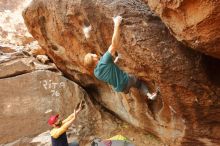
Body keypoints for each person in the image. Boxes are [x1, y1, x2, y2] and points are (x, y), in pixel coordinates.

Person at [84, 16, 159, 100]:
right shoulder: (104, 60)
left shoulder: (96, 73)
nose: (94, 54)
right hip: (127, 79)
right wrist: (117, 24)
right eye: (92, 55)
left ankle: (149, 95)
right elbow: (114, 44)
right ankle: (149, 94)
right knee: (139, 83)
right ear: (94, 60)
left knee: (137, 85)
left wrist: (115, 61)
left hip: (122, 88)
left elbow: (108, 71)